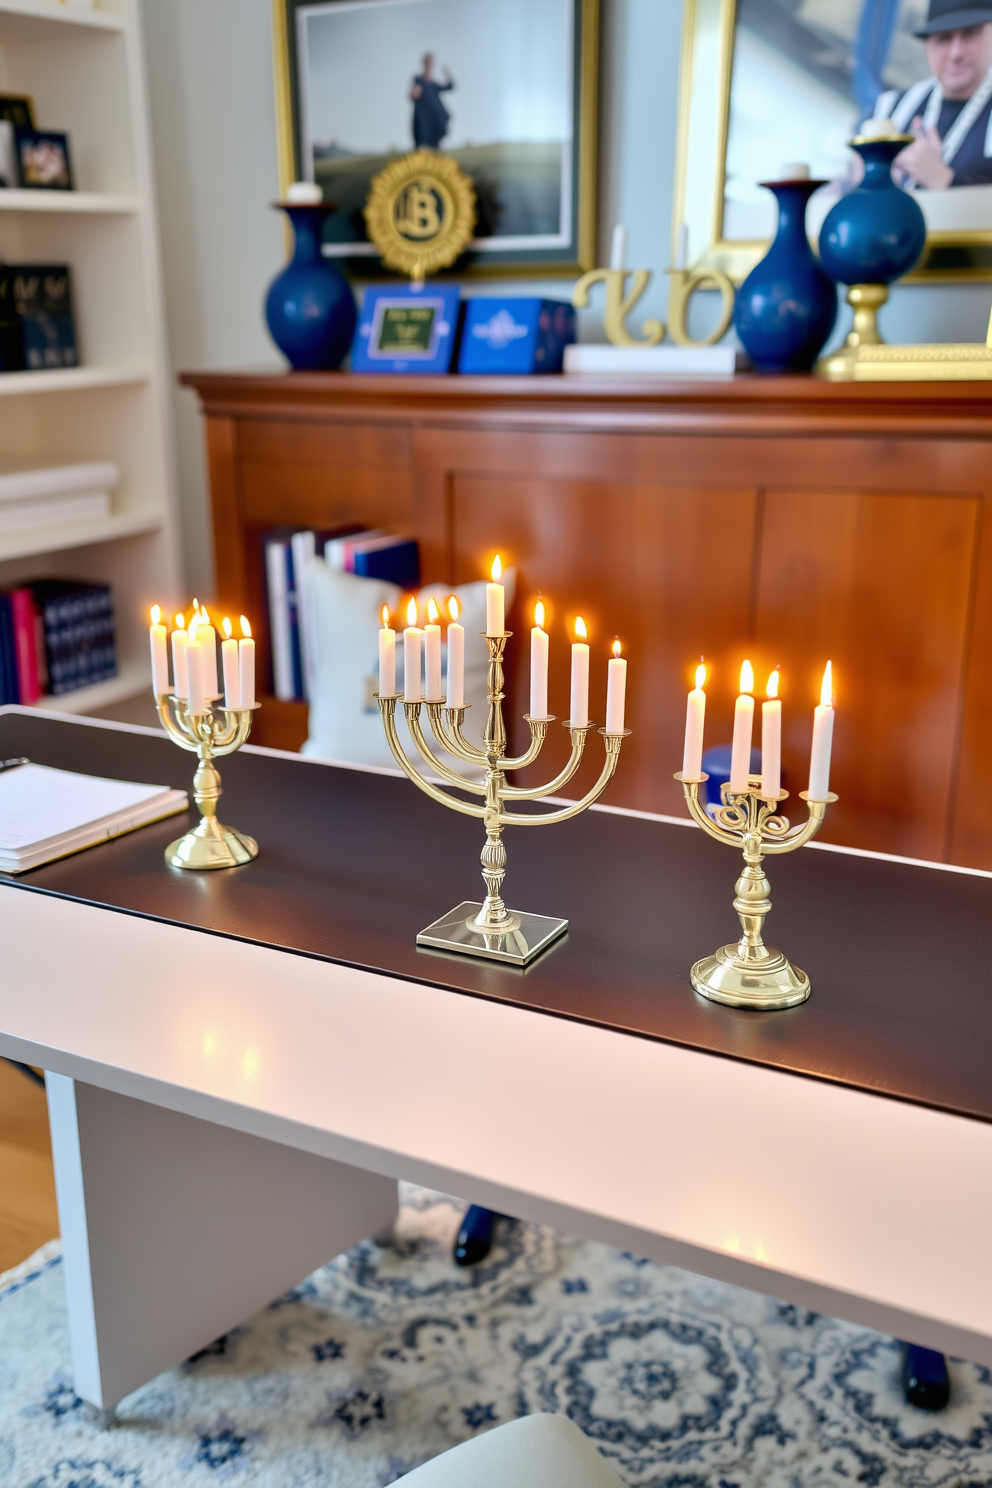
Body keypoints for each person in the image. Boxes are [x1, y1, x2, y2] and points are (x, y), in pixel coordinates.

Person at [869, 0, 992, 187]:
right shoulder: (889, 108)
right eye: (943, 38)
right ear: (927, 45)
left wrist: (943, 179)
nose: (955, 53)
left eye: (970, 34)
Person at [410, 52, 455, 151]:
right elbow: (412, 95)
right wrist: (415, 93)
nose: (429, 65)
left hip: (435, 119)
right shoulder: (418, 80)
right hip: (424, 120)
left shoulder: (433, 84)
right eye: (428, 63)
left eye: (431, 63)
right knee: (424, 144)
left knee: (435, 144)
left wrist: (448, 75)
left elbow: (450, 87)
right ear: (424, 64)